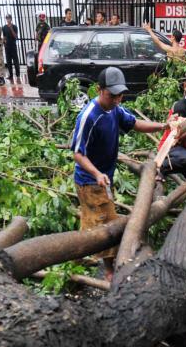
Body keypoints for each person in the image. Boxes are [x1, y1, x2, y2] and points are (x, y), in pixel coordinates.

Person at [71, 67, 165, 279]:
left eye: (120, 95)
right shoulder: (88, 116)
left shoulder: (116, 109)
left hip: (105, 178)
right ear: (99, 89)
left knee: (91, 222)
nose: (116, 99)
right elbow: (77, 153)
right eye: (111, 95)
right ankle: (110, 271)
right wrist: (96, 173)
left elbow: (134, 123)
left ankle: (75, 258)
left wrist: (163, 126)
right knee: (108, 225)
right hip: (90, 181)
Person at [2, 14, 20, 83]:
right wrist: (3, 43)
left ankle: (18, 74)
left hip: (13, 46)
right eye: (7, 18)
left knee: (15, 61)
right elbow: (4, 36)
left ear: (11, 19)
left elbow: (15, 36)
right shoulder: (4, 27)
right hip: (7, 47)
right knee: (8, 62)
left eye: (9, 18)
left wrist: (11, 28)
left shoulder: (15, 27)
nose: (8, 19)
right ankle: (11, 75)